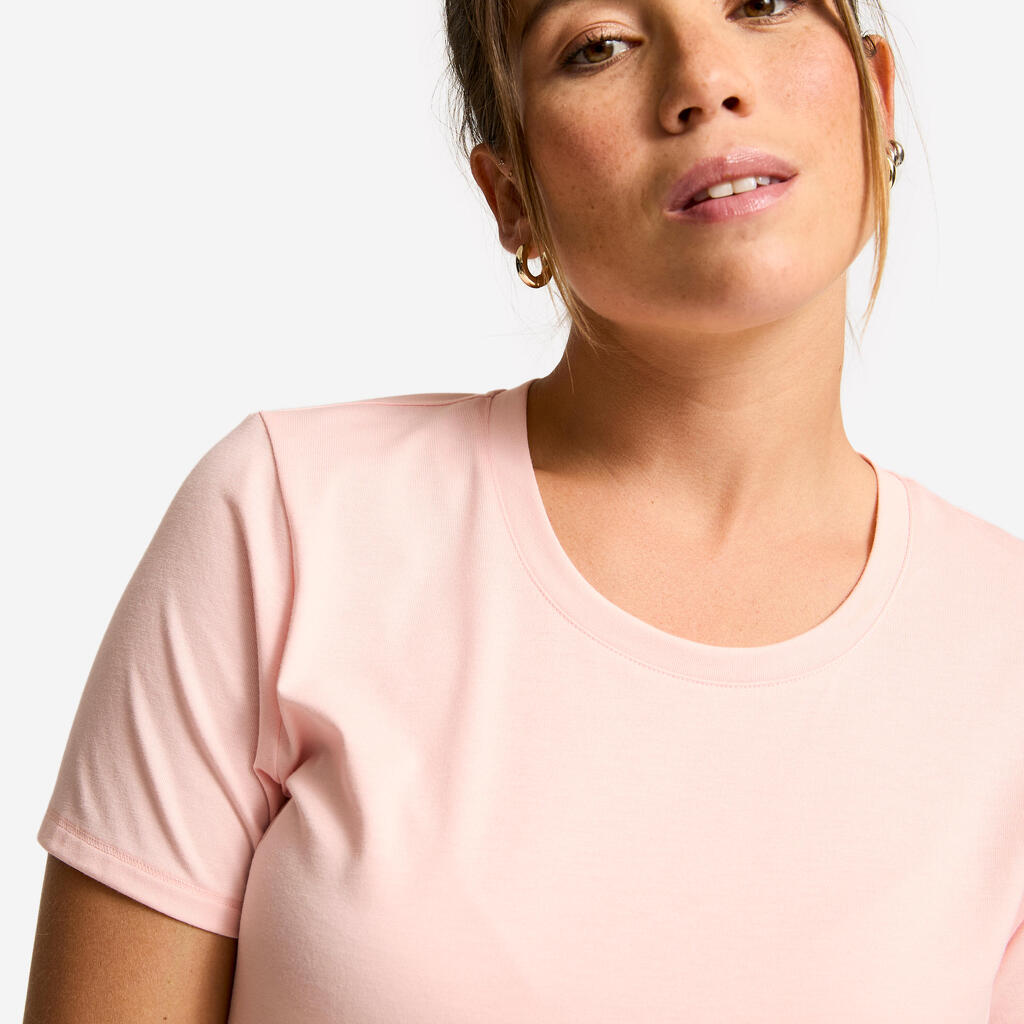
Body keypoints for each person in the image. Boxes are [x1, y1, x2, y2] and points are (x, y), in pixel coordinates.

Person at [23, 0, 1024, 1021]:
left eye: (761, 2)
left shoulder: (1006, 653)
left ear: (877, 98)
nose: (704, 83)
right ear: (510, 196)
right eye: (599, 45)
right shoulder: (286, 528)